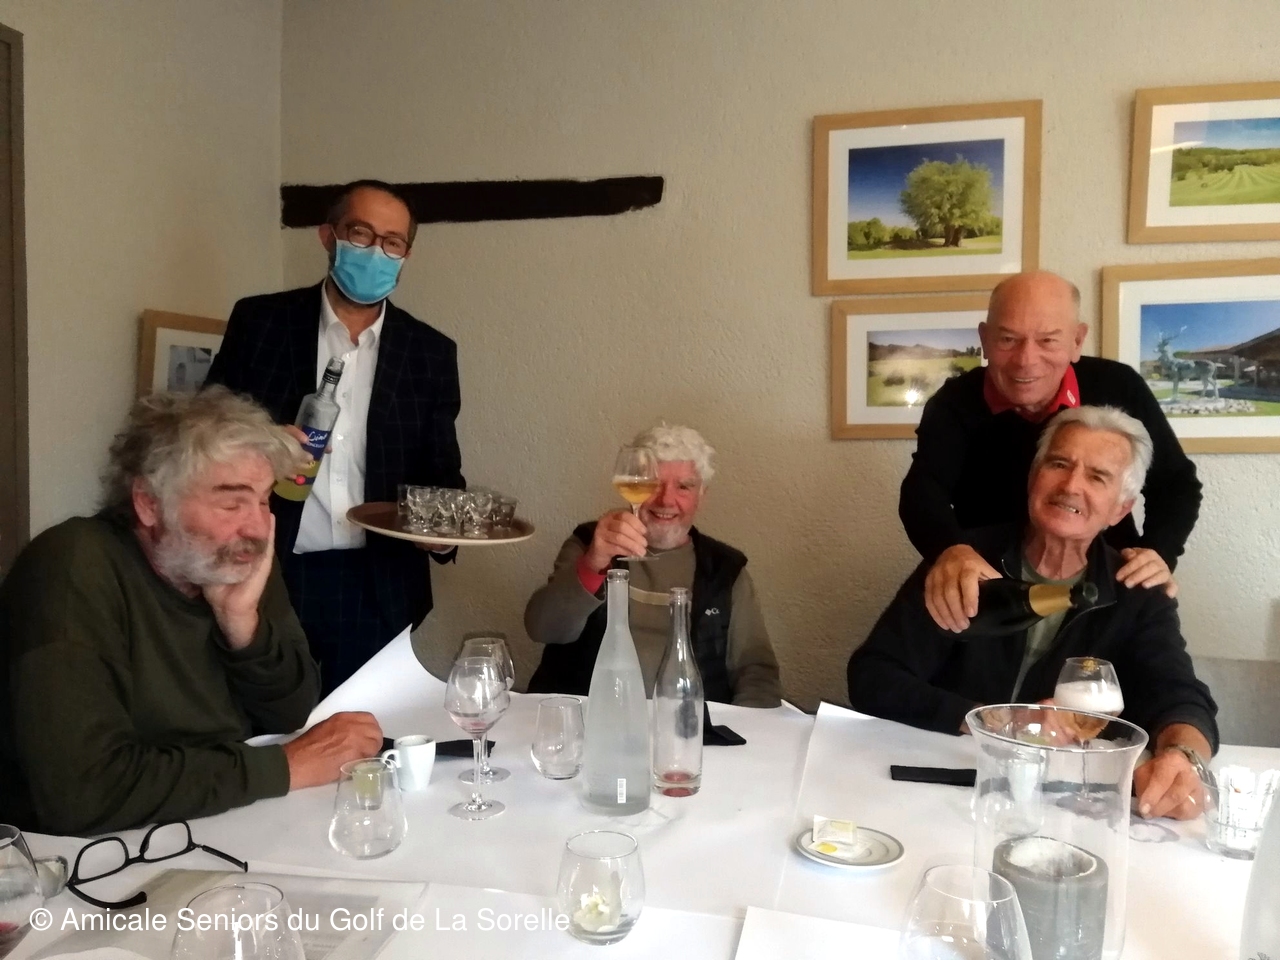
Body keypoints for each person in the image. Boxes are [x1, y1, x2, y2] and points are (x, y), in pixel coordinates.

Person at [0, 389, 382, 835]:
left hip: (221, 822)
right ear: (149, 503)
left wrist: (243, 628)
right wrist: (283, 767)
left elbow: (292, 714)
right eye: (231, 502)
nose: (258, 527)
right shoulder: (71, 566)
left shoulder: (232, 558)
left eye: (263, 500)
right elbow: (84, 792)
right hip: (89, 853)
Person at [850, 405, 1218, 820]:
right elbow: (872, 676)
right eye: (1058, 464)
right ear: (1033, 477)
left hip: (1062, 805)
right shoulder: (964, 563)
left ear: (1120, 508)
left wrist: (1183, 756)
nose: (1071, 485)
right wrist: (999, 720)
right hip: (939, 786)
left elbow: (1180, 695)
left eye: (1097, 477)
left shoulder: (1135, 590)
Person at [205, 179, 464, 694]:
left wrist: (442, 534)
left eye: (392, 242)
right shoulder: (261, 322)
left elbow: (442, 471)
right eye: (361, 233)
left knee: (365, 729)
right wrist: (262, 441)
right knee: (270, 719)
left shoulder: (430, 352)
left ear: (406, 254)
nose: (376, 251)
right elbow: (207, 431)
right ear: (329, 236)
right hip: (271, 570)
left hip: (380, 582)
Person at [899, 270, 1203, 633]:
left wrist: (1158, 552)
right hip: (991, 586)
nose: (1026, 360)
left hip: (1103, 585)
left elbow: (1175, 483)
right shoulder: (955, 402)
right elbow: (922, 492)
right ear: (984, 339)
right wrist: (949, 550)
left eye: (1047, 340)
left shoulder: (1118, 386)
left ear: (1077, 341)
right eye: (1008, 339)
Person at [525, 425, 782, 707]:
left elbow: (756, 671)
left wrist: (740, 730)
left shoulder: (725, 570)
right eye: (654, 483)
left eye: (684, 486)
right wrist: (593, 563)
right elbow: (542, 629)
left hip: (688, 726)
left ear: (702, 496)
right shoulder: (591, 543)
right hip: (591, 721)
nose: (666, 499)